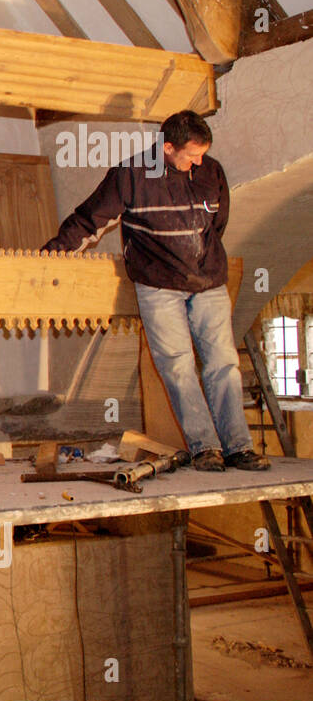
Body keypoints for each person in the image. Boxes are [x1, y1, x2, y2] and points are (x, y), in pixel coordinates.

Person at [42, 109, 269, 472]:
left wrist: (200, 260)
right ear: (166, 148)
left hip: (208, 282)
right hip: (158, 286)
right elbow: (90, 219)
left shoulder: (211, 172)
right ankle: (205, 447)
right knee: (177, 367)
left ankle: (238, 447)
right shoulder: (131, 175)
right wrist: (53, 255)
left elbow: (217, 224)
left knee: (224, 364)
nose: (199, 161)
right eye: (191, 155)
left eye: (202, 154)